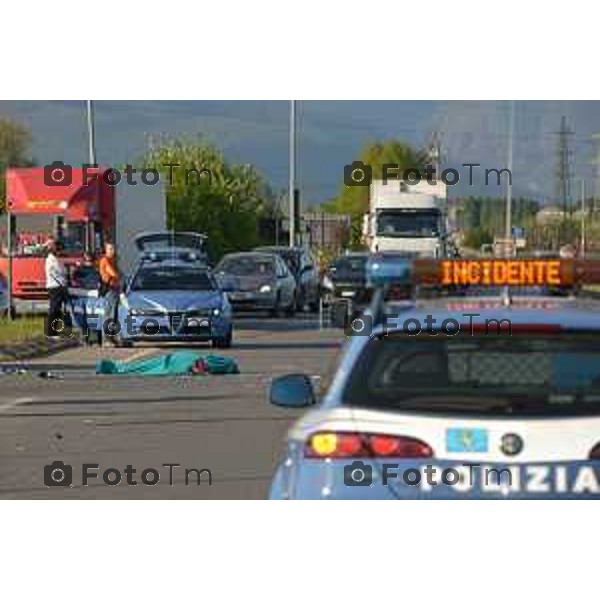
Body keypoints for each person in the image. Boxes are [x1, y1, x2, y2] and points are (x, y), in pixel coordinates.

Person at [45, 238, 69, 336]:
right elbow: (62, 271)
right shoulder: (51, 260)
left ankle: (56, 330)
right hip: (55, 287)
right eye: (58, 250)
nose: (60, 252)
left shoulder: (56, 259)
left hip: (60, 286)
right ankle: (50, 332)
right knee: (54, 310)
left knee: (58, 310)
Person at [98, 242, 122, 339]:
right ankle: (107, 337)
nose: (113, 251)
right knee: (109, 314)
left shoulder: (113, 260)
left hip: (115, 289)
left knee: (114, 314)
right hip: (109, 289)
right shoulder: (105, 260)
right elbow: (113, 273)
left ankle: (112, 335)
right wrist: (118, 274)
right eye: (110, 249)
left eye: (114, 248)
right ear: (106, 250)